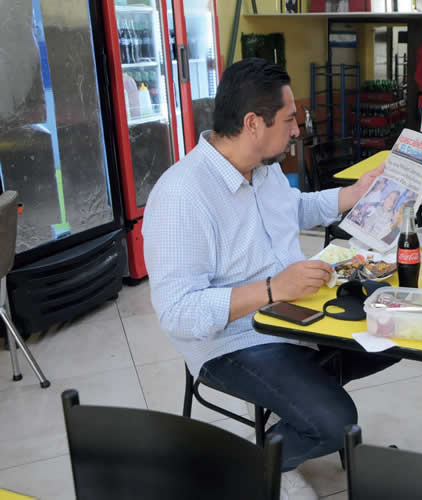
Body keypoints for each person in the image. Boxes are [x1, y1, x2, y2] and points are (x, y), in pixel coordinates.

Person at [143, 58, 399, 500]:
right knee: (336, 421)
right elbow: (179, 313)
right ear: (252, 123)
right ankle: (252, 464)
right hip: (234, 340)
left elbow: (293, 208)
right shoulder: (181, 195)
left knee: (397, 334)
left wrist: (351, 195)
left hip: (296, 313)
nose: (297, 130)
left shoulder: (264, 168)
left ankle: (300, 403)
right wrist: (270, 290)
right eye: (289, 120)